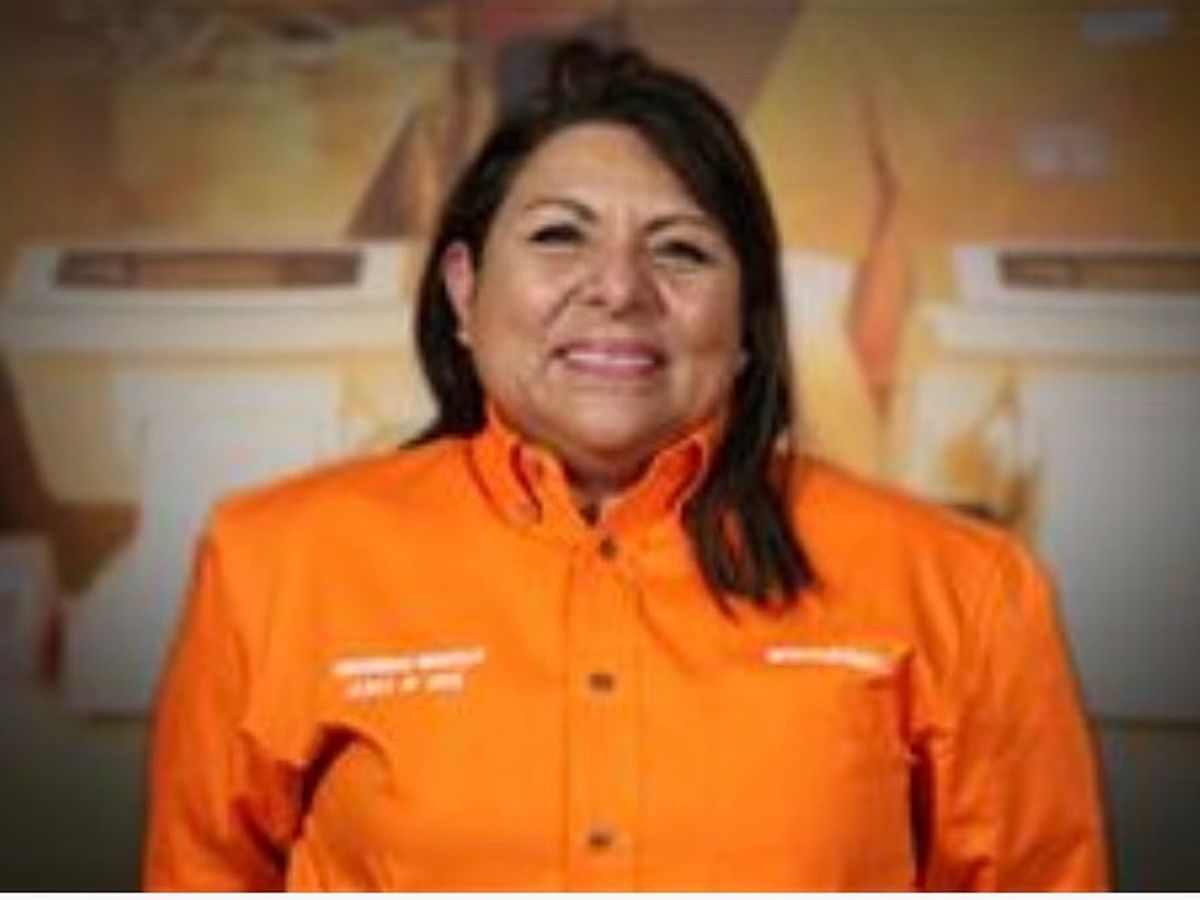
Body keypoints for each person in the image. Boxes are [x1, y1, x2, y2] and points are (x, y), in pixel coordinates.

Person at [142, 41, 1108, 891]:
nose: (619, 288)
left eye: (681, 250)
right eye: (559, 235)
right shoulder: (274, 563)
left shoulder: (964, 591)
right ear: (464, 291)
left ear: (748, 321)